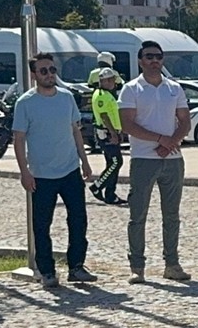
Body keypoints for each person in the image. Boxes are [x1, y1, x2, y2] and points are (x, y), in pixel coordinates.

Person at [12, 53, 97, 287]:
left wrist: (85, 161)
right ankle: (47, 271)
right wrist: (24, 172)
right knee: (42, 225)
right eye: (43, 71)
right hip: (40, 174)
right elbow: (18, 139)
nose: (49, 75)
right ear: (34, 74)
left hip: (70, 170)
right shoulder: (25, 103)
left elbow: (75, 131)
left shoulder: (67, 98)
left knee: (78, 220)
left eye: (52, 70)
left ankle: (77, 266)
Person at [119, 40, 192, 283]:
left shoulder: (174, 88)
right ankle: (137, 266)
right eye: (149, 56)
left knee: (171, 215)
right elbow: (127, 124)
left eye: (158, 56)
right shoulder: (131, 89)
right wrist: (161, 140)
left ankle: (172, 263)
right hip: (143, 158)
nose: (154, 61)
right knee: (138, 214)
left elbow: (184, 121)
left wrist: (170, 143)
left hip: (173, 159)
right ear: (140, 61)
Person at [88, 67, 128, 206]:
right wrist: (113, 133)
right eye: (110, 80)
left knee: (112, 163)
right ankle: (97, 186)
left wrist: (118, 131)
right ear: (104, 81)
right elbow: (105, 116)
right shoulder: (101, 95)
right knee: (117, 162)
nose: (113, 83)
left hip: (110, 132)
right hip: (106, 133)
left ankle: (110, 194)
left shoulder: (105, 93)